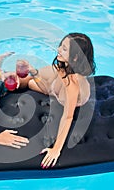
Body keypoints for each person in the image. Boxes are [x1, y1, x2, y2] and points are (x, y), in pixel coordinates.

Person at [27, 33, 96, 169]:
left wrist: (56, 149)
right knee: (30, 80)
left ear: (75, 57)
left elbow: (68, 117)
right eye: (60, 46)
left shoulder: (73, 83)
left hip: (66, 97)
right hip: (56, 88)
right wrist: (33, 72)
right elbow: (47, 87)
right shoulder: (63, 67)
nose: (58, 50)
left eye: (64, 49)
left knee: (30, 82)